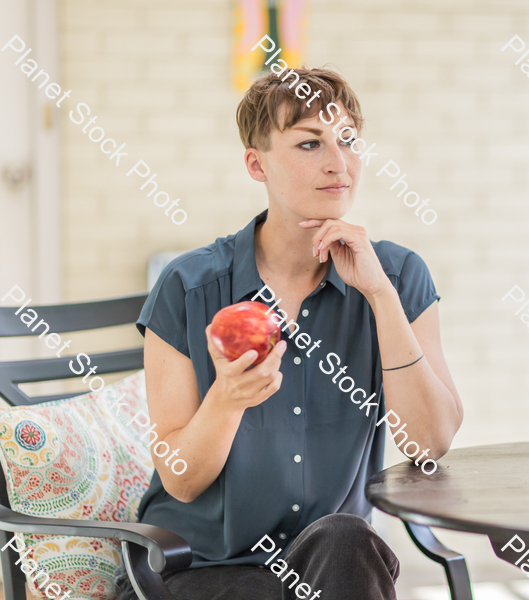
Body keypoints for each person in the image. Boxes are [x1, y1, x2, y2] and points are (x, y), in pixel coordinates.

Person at [116, 67, 463, 600]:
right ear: (258, 164)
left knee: (347, 538)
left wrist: (380, 297)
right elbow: (182, 480)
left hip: (331, 565)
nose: (338, 163)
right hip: (200, 570)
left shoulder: (397, 277)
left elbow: (429, 444)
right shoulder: (188, 287)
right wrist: (228, 400)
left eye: (347, 141)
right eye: (309, 143)